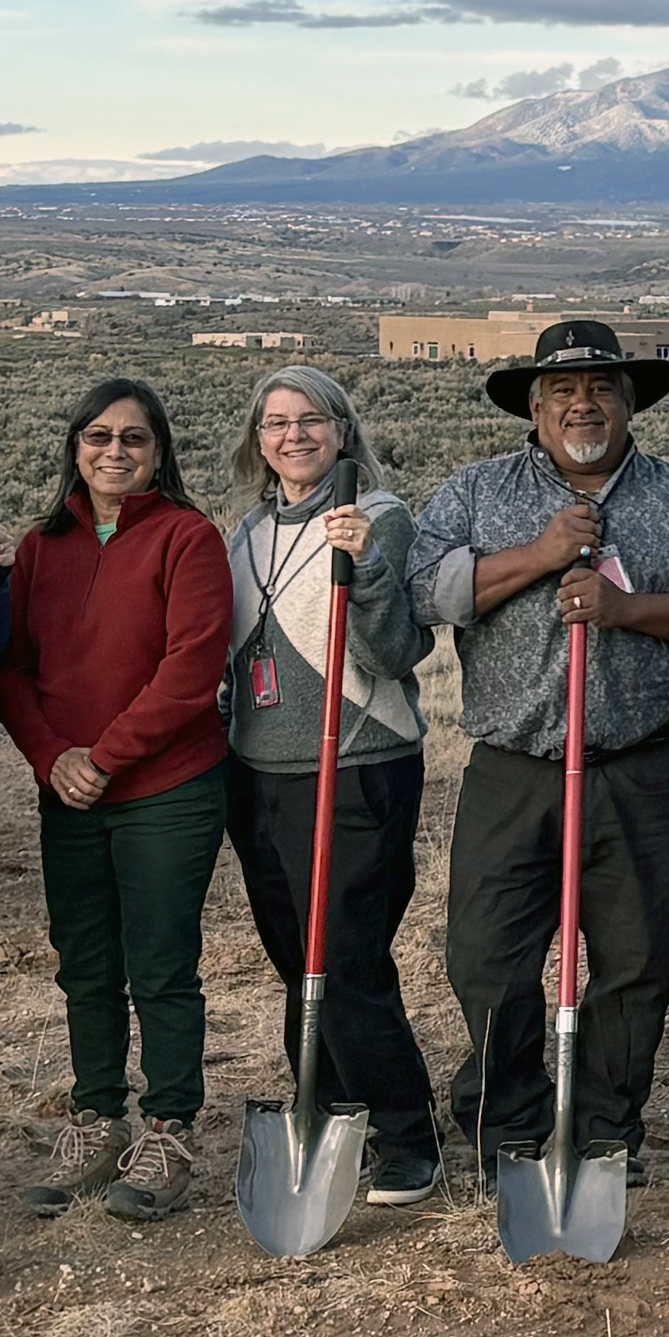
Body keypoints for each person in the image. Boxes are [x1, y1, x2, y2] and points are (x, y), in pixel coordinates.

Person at [419, 321, 669, 1188]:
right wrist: (541, 555)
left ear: (632, 402)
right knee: (485, 956)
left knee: (634, 964)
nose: (583, 404)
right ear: (534, 405)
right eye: (563, 390)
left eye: (602, 388)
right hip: (514, 765)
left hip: (640, 763)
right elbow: (433, 588)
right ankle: (509, 1125)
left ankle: (604, 1130)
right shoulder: (475, 493)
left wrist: (625, 609)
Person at [0, 379, 236, 1221]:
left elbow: (191, 667)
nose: (115, 452)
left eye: (134, 439)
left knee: (159, 960)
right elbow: (14, 663)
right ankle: (97, 1114)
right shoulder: (42, 546)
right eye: (98, 436)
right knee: (84, 959)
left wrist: (106, 756)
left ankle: (170, 1126)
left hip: (167, 786)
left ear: (160, 451)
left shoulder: (189, 538)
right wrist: (51, 759)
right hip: (68, 788)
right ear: (75, 446)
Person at [221, 363, 440, 1206]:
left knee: (342, 957)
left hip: (357, 767)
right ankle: (329, 1108)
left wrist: (368, 569)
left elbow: (396, 652)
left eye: (312, 419)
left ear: (342, 431)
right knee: (295, 961)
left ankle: (405, 1132)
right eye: (276, 422)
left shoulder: (377, 520)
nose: (294, 435)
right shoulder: (247, 534)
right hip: (263, 774)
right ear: (258, 440)